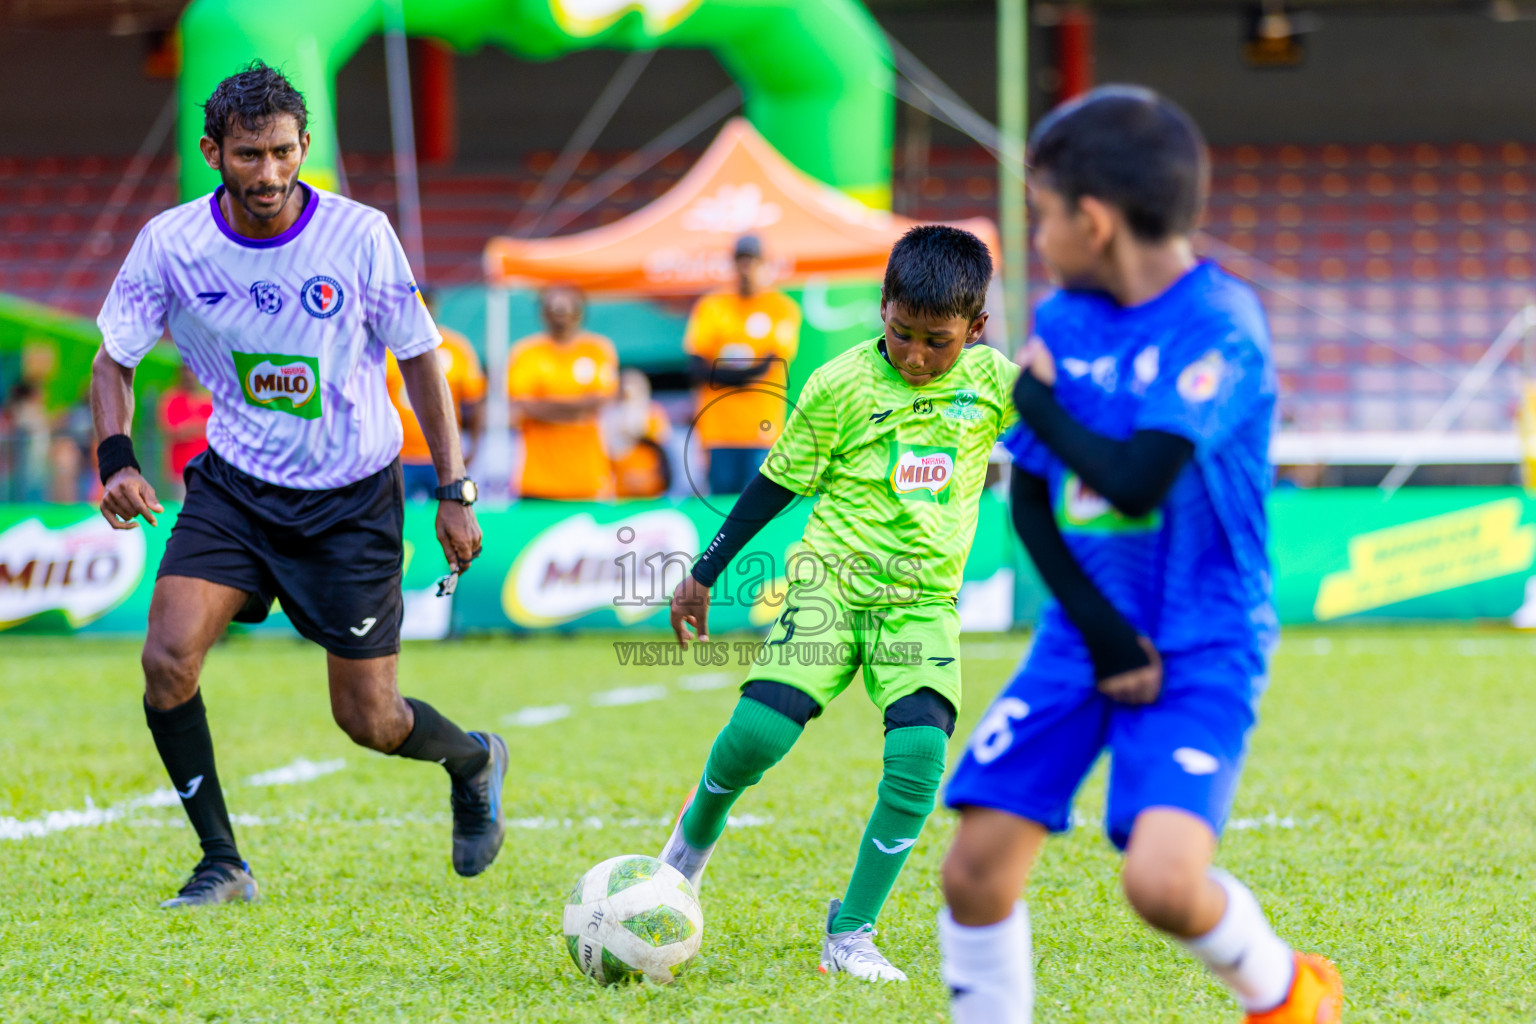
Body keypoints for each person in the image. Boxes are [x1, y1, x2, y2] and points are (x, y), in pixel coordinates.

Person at [936, 87, 1341, 1024]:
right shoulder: (1069, 322)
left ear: (1095, 219)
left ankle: (1289, 994)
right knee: (974, 871)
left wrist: (1029, 401)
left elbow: (1135, 481)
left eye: (1040, 217)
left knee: (1160, 884)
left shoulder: (1222, 327)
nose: (1035, 241)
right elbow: (1031, 502)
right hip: (1085, 639)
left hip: (1205, 644)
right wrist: (1107, 638)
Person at [91, 61, 509, 910]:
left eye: (284, 152)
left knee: (369, 720)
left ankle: (472, 758)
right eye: (249, 155)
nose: (271, 174)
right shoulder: (172, 243)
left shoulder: (359, 235)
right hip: (236, 488)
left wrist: (454, 489)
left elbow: (421, 357)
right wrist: (116, 459)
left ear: (305, 146)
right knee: (168, 657)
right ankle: (222, 863)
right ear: (213, 151)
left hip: (351, 498)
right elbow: (113, 361)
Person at [662, 226, 1017, 981]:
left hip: (921, 603)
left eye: (938, 342)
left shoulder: (994, 386)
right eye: (902, 334)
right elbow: (777, 483)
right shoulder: (841, 384)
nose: (917, 356)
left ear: (976, 329)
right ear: (881, 307)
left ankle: (850, 931)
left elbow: (1071, 433)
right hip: (830, 586)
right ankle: (689, 845)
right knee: (759, 731)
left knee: (920, 754)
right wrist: (705, 571)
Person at [684, 234, 802, 496]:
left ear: (765, 264)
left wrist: (719, 373)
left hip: (761, 429)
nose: (746, 269)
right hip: (717, 430)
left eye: (753, 261)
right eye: (741, 261)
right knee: (721, 507)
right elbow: (695, 367)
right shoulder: (712, 306)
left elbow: (769, 366)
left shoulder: (781, 308)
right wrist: (745, 373)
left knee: (756, 506)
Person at [506, 285, 618, 500]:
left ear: (579, 312)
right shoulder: (526, 352)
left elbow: (602, 400)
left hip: (588, 479)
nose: (561, 319)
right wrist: (578, 409)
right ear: (543, 314)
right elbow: (522, 405)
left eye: (566, 310)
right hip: (537, 480)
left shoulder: (597, 349)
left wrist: (544, 406)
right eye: (554, 311)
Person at [386, 300, 486, 502]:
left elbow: (474, 402)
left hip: (442, 456)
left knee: (451, 512)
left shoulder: (455, 347)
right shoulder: (387, 345)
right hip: (398, 455)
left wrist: (472, 449)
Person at [607, 368, 672, 499]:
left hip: (651, 486)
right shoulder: (610, 415)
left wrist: (637, 432)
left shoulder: (653, 412)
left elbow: (661, 439)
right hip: (620, 489)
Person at [157, 363, 214, 501]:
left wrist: (188, 428)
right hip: (180, 469)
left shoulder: (208, 399)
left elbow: (214, 429)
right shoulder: (171, 399)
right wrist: (200, 426)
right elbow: (171, 431)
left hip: (207, 468)